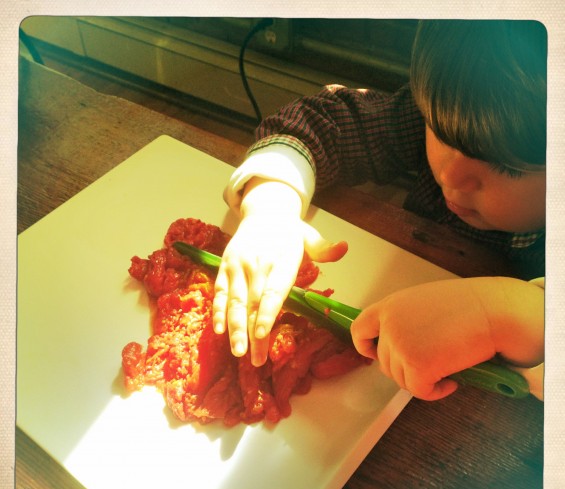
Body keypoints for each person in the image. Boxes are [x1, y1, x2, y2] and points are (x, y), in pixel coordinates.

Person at [212, 20, 546, 401]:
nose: (451, 176)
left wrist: (504, 315)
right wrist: (272, 202)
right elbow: (324, 120)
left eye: (509, 167)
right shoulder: (453, 110)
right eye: (438, 130)